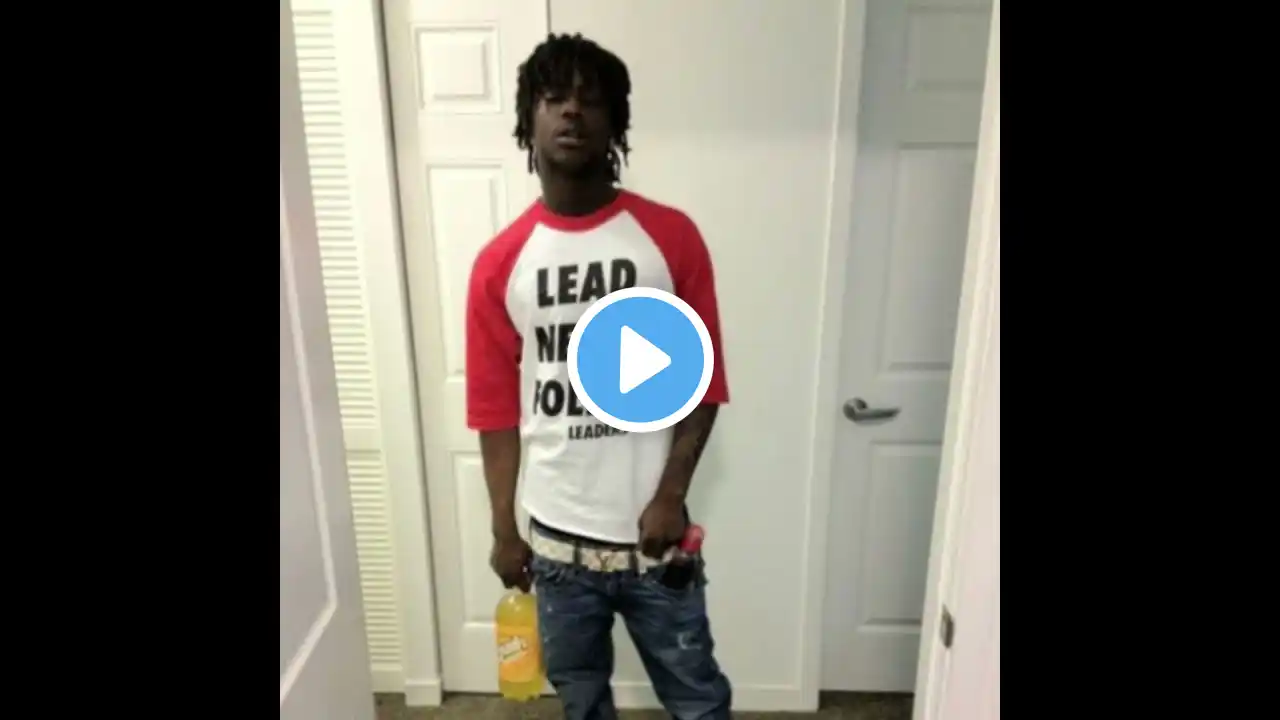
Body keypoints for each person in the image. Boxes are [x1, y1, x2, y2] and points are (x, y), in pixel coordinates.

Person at [464, 32, 733, 720]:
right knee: (581, 703)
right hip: (556, 546)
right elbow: (495, 413)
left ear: (616, 122)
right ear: (528, 120)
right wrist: (503, 529)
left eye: (590, 100)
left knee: (698, 701)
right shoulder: (501, 262)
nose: (571, 111)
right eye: (553, 97)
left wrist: (671, 495)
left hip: (655, 541)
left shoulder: (669, 238)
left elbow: (705, 384)